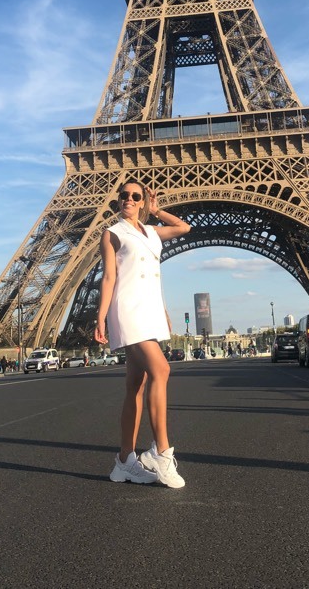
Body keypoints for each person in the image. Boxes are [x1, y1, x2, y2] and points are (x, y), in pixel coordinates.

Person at [94, 179, 190, 488]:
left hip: (149, 310)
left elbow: (184, 228)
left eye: (136, 196)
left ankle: (124, 461)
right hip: (127, 309)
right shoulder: (113, 233)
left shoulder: (150, 231)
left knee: (136, 384)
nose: (130, 200)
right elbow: (109, 277)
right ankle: (161, 453)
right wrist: (101, 318)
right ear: (118, 199)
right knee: (161, 368)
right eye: (124, 195)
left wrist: (157, 209)